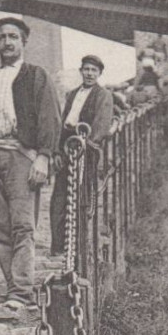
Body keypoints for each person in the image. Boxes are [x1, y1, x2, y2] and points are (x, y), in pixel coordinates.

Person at [0, 17, 60, 308]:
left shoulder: (35, 76)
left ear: (23, 42)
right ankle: (14, 288)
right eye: (2, 37)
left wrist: (44, 156)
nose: (7, 42)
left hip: (21, 155)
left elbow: (49, 117)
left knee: (22, 225)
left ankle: (21, 291)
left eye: (13, 37)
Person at [50, 54, 114, 261]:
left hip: (86, 148)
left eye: (93, 70)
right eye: (86, 69)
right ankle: (58, 245)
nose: (89, 73)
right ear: (81, 71)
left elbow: (102, 124)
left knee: (82, 197)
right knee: (60, 196)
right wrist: (58, 151)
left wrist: (87, 147)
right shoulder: (71, 94)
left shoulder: (103, 95)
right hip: (67, 144)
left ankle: (79, 247)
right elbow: (62, 124)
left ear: (99, 74)